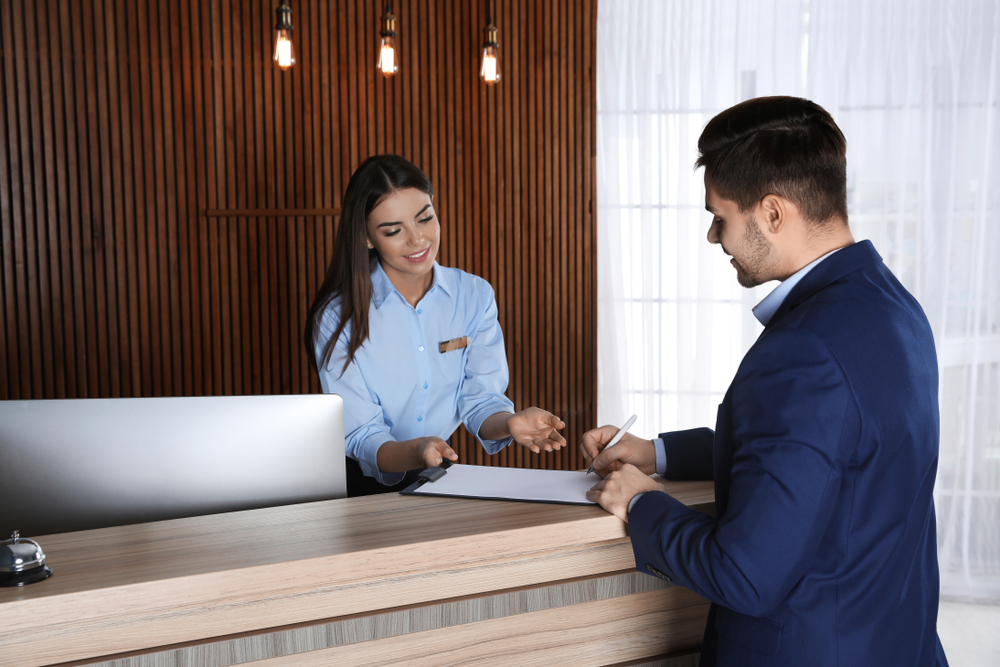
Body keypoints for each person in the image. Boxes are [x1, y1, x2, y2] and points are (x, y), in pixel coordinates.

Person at [583, 97, 948, 666]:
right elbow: (820, 448)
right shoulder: (896, 309)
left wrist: (643, 504)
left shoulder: (803, 352)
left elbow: (745, 574)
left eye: (719, 216)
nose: (712, 237)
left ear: (773, 214)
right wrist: (656, 453)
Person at [305, 154, 566, 496]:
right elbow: (362, 435)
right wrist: (416, 451)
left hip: (437, 474)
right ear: (367, 237)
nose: (417, 240)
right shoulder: (337, 318)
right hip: (356, 487)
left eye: (425, 218)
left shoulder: (473, 295)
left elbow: (480, 400)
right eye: (394, 231)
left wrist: (509, 423)